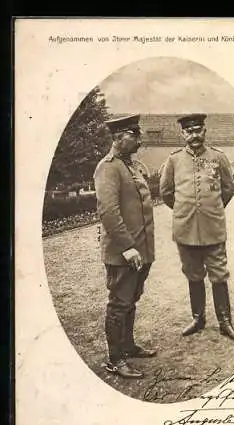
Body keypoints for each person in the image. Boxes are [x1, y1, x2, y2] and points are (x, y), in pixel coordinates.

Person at [160, 113, 234, 342]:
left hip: (213, 228)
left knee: (219, 275)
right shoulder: (174, 160)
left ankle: (225, 322)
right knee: (193, 275)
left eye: (198, 130)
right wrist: (184, 211)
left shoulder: (218, 157)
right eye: (189, 131)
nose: (194, 135)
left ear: (204, 131)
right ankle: (198, 319)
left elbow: (228, 189)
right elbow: (166, 193)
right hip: (185, 229)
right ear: (183, 134)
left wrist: (212, 209)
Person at [94, 114, 157, 379]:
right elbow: (108, 211)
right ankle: (115, 359)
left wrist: (141, 250)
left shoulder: (130, 165)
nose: (140, 141)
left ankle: (128, 346)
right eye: (135, 136)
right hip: (124, 253)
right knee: (119, 303)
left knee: (131, 300)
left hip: (140, 250)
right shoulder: (109, 167)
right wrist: (128, 247)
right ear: (119, 138)